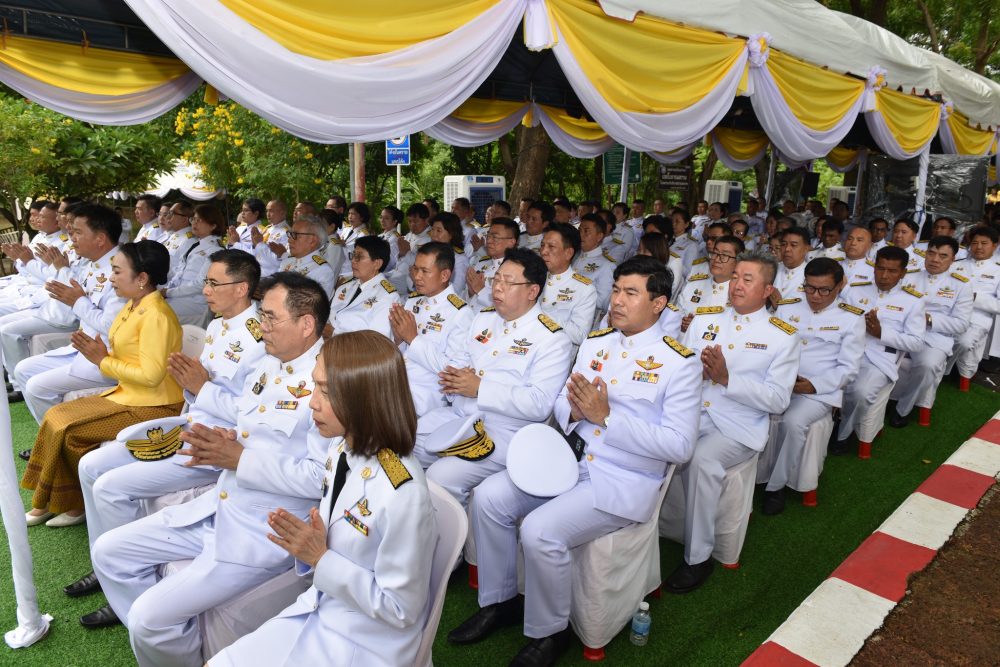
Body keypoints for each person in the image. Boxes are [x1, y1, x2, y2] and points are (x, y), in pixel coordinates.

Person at [447, 256, 702, 664]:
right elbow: (562, 404)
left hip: (620, 480)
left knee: (540, 531)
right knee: (490, 498)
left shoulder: (680, 363)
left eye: (630, 293)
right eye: (615, 290)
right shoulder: (597, 344)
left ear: (658, 304)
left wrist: (607, 418)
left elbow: (680, 446)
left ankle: (550, 633)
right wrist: (577, 411)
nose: (617, 300)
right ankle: (501, 601)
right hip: (570, 462)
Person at [91, 272, 329, 667]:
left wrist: (239, 458)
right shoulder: (270, 363)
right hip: (221, 506)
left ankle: (164, 635)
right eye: (262, 316)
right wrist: (226, 438)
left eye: (270, 318)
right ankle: (173, 638)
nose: (262, 326)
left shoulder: (327, 380)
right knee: (109, 552)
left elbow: (321, 476)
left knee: (149, 619)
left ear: (306, 324)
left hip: (263, 531)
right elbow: (251, 424)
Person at [209, 331, 436, 667]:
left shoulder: (402, 492)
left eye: (326, 392)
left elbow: (401, 609)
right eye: (315, 386)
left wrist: (320, 557)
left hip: (365, 641)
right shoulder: (341, 448)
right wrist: (315, 550)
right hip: (323, 604)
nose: (312, 402)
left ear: (363, 399)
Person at [72, 249, 266, 628]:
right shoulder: (219, 326)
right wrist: (194, 390)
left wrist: (201, 387)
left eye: (214, 283)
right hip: (188, 426)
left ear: (241, 288)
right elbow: (196, 392)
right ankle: (107, 566)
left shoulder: (258, 338)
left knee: (111, 487)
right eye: (206, 281)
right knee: (91, 465)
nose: (205, 290)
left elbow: (253, 414)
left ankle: (133, 587)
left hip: (214, 446)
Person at [22, 240, 184, 528]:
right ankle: (55, 500)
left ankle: (73, 504)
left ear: (142, 278)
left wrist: (102, 361)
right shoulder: (134, 306)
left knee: (69, 429)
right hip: (129, 395)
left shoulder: (156, 315)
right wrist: (100, 354)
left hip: (155, 405)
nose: (111, 278)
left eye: (117, 272)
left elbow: (151, 376)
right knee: (55, 415)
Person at [671, 249, 800, 591]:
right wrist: (695, 373)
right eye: (735, 277)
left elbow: (778, 400)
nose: (737, 285)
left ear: (768, 290)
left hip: (739, 426)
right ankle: (655, 528)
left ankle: (698, 558)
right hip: (693, 412)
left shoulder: (782, 336)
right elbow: (680, 368)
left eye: (748, 279)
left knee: (701, 460)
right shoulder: (705, 319)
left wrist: (727, 379)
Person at [417, 248, 574, 506]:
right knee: (403, 444)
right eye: (496, 279)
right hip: (459, 415)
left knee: (440, 477)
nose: (497, 287)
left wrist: (481, 389)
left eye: (508, 282)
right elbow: (459, 360)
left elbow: (539, 403)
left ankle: (455, 530)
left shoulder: (552, 339)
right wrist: (455, 377)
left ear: (532, 291)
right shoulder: (484, 317)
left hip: (501, 432)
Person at [763, 258, 865, 514]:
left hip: (819, 392)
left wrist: (813, 386)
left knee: (793, 422)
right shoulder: (787, 308)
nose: (815, 296)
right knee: (756, 411)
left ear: (839, 287)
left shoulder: (852, 318)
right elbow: (770, 346)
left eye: (824, 290)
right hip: (781, 382)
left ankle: (775, 486)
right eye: (810, 288)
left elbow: (848, 369)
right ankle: (756, 474)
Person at [9, 205, 125, 423]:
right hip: (84, 347)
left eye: (78, 232)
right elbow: (66, 289)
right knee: (23, 369)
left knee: (36, 387)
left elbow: (112, 326)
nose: (72, 237)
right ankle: (56, 434)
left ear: (100, 239)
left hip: (107, 356)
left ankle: (61, 437)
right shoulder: (93, 265)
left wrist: (77, 301)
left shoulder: (120, 269)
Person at [834, 246, 925, 453]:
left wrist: (881, 333)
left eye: (892, 271)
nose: (884, 276)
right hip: (845, 351)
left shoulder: (913, 301)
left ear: (903, 273)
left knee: (861, 392)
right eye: (880, 268)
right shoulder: (855, 290)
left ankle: (843, 434)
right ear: (873, 267)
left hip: (879, 359)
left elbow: (916, 343)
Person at [889, 236, 972, 427]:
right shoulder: (908, 276)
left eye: (943, 256)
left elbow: (961, 324)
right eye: (931, 253)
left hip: (934, 337)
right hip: (902, 330)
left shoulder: (961, 285)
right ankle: (881, 398)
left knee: (928, 365)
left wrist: (927, 319)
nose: (935, 259)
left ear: (953, 259)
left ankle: (903, 408)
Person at [390, 243, 476, 417]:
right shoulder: (413, 301)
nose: (417, 276)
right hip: (395, 381)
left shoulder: (460, 313)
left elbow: (454, 372)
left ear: (444, 275)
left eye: (425, 271)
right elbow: (402, 353)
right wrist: (398, 339)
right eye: (415, 269)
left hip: (424, 398)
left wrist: (413, 339)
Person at [949, 225, 1000, 391]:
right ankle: (939, 368)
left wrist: (975, 297)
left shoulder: (998, 270)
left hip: (977, 318)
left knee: (964, 342)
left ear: (995, 245)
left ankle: (943, 370)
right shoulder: (956, 265)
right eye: (975, 243)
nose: (978, 247)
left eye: (984, 243)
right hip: (950, 313)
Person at [163, 204, 225, 325]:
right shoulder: (195, 245)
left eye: (200, 220)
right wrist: (167, 289)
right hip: (179, 296)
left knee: (157, 311)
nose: (194, 223)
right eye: (194, 219)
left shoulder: (216, 250)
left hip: (196, 301)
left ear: (213, 225)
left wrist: (168, 293)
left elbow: (200, 285)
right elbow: (179, 272)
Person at [328, 235, 401, 339]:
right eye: (353, 255)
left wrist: (333, 333)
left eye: (360, 257)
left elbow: (377, 340)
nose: (353, 260)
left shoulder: (388, 296)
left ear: (377, 264)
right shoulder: (345, 286)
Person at [538, 223, 598, 347]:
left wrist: (540, 313)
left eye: (551, 246)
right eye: (542, 245)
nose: (543, 251)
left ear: (568, 253)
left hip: (555, 350)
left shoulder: (584, 289)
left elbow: (580, 335)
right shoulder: (531, 277)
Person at [677, 235, 744, 333]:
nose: (716, 259)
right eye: (715, 253)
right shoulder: (695, 282)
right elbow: (677, 311)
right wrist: (682, 322)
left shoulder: (740, 294)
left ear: (738, 262)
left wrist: (697, 327)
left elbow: (737, 330)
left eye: (724, 256)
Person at [465, 217, 519, 310]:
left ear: (511, 242)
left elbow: (510, 306)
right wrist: (470, 291)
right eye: (488, 236)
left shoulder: (517, 271)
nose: (489, 241)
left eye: (495, 237)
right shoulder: (481, 263)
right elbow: (468, 300)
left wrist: (481, 290)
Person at [279, 215, 337, 297]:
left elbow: (311, 304)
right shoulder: (287, 262)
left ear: (312, 241)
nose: (289, 240)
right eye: (290, 234)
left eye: (295, 235)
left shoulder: (322, 271)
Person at [571, 214, 616, 309]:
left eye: (586, 231)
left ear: (599, 236)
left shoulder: (606, 266)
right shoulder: (574, 255)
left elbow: (601, 302)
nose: (580, 235)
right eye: (580, 230)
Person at [427, 212, 470, 294]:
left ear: (451, 234)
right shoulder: (429, 254)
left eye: (439, 231)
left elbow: (456, 289)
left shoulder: (459, 259)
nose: (434, 234)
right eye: (432, 229)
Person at [772, 227, 811, 303]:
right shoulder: (772, 269)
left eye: (793, 245)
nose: (787, 249)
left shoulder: (811, 275)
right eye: (783, 244)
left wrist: (779, 304)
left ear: (806, 249)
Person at [252, 199, 290, 278]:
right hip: (259, 272)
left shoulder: (286, 232)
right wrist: (254, 244)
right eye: (267, 211)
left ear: (282, 213)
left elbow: (279, 260)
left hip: (272, 276)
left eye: (271, 211)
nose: (268, 214)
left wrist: (259, 244)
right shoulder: (267, 228)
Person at [839, 226, 875, 301]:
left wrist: (844, 289)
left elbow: (870, 300)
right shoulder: (832, 265)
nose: (853, 243)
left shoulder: (874, 271)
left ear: (870, 246)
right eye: (850, 239)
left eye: (859, 240)